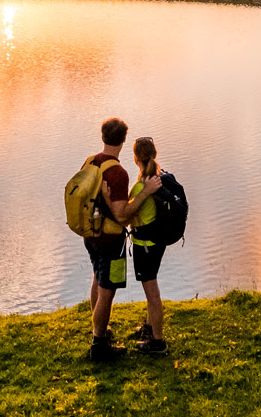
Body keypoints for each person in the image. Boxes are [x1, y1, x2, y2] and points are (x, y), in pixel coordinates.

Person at [82, 118, 157, 361]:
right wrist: (145, 192)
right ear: (124, 141)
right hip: (110, 240)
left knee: (97, 279)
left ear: (103, 136)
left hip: (90, 234)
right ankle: (99, 343)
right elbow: (122, 215)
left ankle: (100, 331)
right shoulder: (118, 173)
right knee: (108, 290)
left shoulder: (91, 161)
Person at [125, 137, 170, 354]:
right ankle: (150, 329)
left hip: (145, 246)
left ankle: (158, 342)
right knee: (152, 288)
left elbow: (125, 216)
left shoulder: (141, 187)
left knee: (152, 293)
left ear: (136, 159)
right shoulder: (157, 179)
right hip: (157, 243)